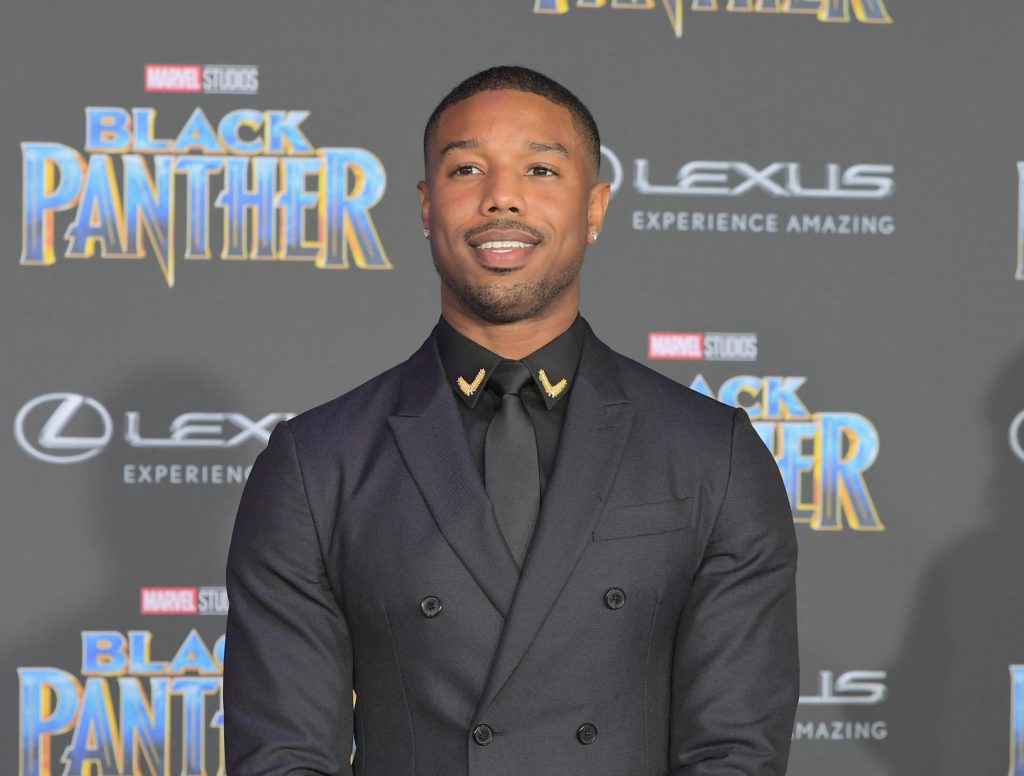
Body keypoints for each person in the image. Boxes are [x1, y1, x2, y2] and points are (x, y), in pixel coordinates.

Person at [224, 65, 799, 776]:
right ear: (427, 206)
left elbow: (734, 751)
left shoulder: (713, 453)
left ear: (595, 207)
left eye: (540, 169)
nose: (501, 198)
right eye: (468, 169)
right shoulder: (317, 462)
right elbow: (283, 756)